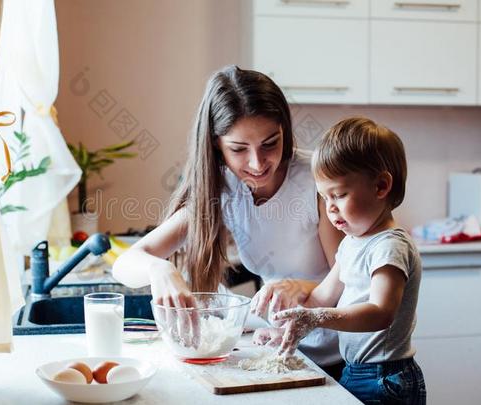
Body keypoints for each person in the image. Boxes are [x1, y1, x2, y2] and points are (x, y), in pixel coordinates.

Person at [112, 65, 345, 378]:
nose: (258, 163)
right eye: (238, 149)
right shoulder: (222, 189)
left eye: (270, 143)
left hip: (335, 355)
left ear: (284, 132)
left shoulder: (315, 181)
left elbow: (351, 277)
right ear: (216, 146)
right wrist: (159, 269)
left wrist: (300, 287)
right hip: (280, 349)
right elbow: (125, 263)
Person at [264, 117, 426, 404]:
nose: (330, 209)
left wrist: (318, 318)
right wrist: (283, 330)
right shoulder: (352, 244)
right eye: (324, 198)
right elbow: (321, 298)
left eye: (338, 195)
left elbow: (380, 312)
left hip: (386, 379)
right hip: (355, 370)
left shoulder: (390, 246)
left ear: (381, 186)